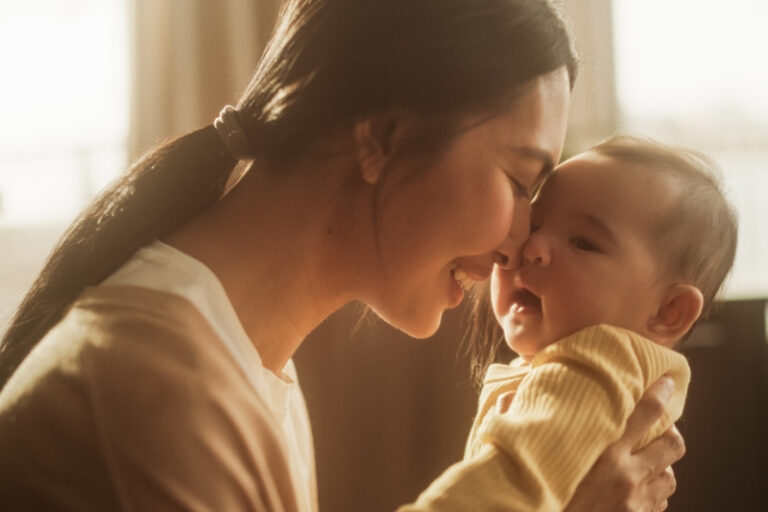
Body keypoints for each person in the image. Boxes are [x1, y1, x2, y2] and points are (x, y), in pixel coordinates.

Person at [0, 1, 683, 510]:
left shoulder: (251, 368)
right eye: (517, 181)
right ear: (383, 136)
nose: (521, 243)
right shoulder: (156, 394)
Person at [402, 136, 737, 510]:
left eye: (582, 242)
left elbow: (509, 483)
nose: (531, 248)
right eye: (533, 226)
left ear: (668, 312)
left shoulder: (594, 367)